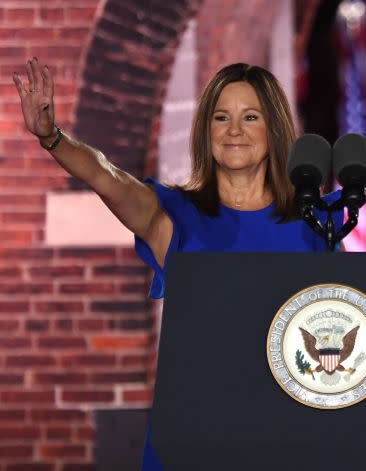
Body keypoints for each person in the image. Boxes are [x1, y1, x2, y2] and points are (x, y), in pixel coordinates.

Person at [13, 58, 342, 470]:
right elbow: (107, 176)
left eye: (250, 117)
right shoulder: (175, 215)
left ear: (274, 129)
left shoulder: (320, 219)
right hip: (193, 435)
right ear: (206, 130)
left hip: (288, 436)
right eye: (221, 117)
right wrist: (52, 137)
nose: (234, 130)